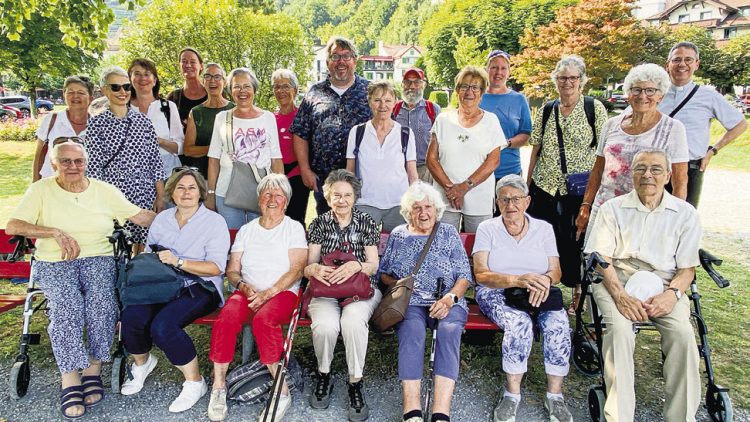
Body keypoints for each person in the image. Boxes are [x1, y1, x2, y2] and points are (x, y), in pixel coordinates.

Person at [6, 140, 155, 419]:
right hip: (54, 261)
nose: (73, 167)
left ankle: (93, 368)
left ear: (86, 163)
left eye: (78, 161)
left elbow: (139, 216)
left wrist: (185, 217)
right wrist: (53, 232)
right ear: (54, 165)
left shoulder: (104, 191)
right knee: (67, 307)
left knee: (102, 304)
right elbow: (15, 225)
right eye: (65, 161)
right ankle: (70, 377)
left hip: (98, 257)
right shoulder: (41, 190)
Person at [584, 148, 702, 422]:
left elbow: (687, 270)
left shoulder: (684, 214)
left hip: (665, 283)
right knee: (620, 332)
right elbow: (602, 260)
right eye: (640, 169)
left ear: (668, 175)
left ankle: (681, 417)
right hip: (617, 277)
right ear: (631, 173)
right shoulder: (612, 209)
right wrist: (620, 295)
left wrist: (672, 295)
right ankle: (619, 416)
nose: (647, 175)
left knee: (683, 335)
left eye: (656, 169)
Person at [119, 168, 230, 413]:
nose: (186, 192)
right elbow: (149, 255)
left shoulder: (214, 221)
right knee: (131, 318)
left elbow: (215, 268)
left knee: (163, 326)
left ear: (200, 192)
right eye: (180, 188)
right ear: (172, 192)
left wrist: (180, 262)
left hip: (200, 285)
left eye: (192, 188)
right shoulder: (163, 218)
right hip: (162, 282)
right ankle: (143, 363)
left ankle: (194, 382)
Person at [207, 174, 307, 422]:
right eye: (267, 194)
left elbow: (297, 269)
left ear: (286, 201)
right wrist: (243, 285)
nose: (272, 199)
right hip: (248, 292)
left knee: (265, 321)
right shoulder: (246, 230)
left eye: (278, 195)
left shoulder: (293, 227)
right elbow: (232, 270)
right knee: (226, 318)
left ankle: (281, 390)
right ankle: (219, 386)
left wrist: (268, 293)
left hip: (282, 293)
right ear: (259, 199)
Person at [473, 175, 572, 422]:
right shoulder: (488, 229)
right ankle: (512, 394)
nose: (510, 205)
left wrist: (544, 281)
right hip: (495, 291)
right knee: (519, 324)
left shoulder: (544, 229)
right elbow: (481, 274)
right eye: (504, 200)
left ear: (527, 201)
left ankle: (555, 395)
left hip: (538, 290)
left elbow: (556, 272)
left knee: (558, 324)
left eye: (516, 199)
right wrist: (517, 280)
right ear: (497, 202)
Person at [379, 182, 472, 422]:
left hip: (447, 300)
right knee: (411, 331)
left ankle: (441, 412)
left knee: (449, 332)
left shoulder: (448, 233)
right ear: (408, 211)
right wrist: (402, 283)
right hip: (410, 302)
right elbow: (383, 274)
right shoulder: (399, 235)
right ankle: (412, 411)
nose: (423, 213)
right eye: (417, 207)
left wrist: (450, 298)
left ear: (436, 209)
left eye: (428, 206)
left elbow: (464, 275)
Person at [526, 55, 607, 312]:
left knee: (575, 242)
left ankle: (577, 295)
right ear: (556, 81)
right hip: (545, 187)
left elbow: (603, 154)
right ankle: (540, 290)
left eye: (573, 78)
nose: (568, 83)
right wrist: (527, 185)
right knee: (542, 241)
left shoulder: (594, 109)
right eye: (563, 78)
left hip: (578, 190)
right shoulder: (547, 110)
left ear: (582, 81)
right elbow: (536, 148)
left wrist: (592, 197)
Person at [577, 63, 689, 246]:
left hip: (646, 213)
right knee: (596, 263)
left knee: (633, 267)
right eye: (636, 90)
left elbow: (680, 180)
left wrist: (673, 218)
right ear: (628, 94)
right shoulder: (611, 125)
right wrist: (586, 205)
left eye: (650, 90)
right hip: (604, 208)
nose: (643, 96)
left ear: (661, 95)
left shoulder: (673, 129)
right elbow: (597, 170)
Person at [304, 169, 380, 422]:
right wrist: (314, 268)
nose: (342, 200)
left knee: (352, 323)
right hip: (326, 287)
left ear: (355, 197)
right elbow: (308, 267)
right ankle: (323, 374)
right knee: (325, 326)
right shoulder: (318, 223)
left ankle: (355, 381)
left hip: (360, 288)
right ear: (327, 197)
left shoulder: (366, 221)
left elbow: (373, 264)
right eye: (336, 195)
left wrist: (357, 265)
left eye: (347, 195)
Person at [659, 41, 747, 207]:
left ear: (696, 64)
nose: (682, 64)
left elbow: (740, 124)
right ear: (668, 64)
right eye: (677, 59)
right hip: (655, 167)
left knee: (683, 222)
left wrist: (713, 150)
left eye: (688, 60)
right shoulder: (655, 94)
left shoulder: (708, 96)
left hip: (690, 168)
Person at [85, 66, 164, 250]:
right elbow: (94, 169)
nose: (122, 92)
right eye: (115, 87)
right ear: (104, 90)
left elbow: (155, 162)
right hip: (114, 197)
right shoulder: (97, 124)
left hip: (144, 194)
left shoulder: (143, 121)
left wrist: (160, 196)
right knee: (118, 247)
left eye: (126, 87)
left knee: (142, 248)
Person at [291, 36, 371, 216]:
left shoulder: (370, 91)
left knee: (361, 233)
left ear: (355, 61)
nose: (341, 61)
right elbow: (300, 133)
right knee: (327, 234)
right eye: (335, 56)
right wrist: (305, 169)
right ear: (327, 62)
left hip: (364, 179)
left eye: (346, 56)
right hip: (325, 181)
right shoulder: (315, 93)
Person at [426, 65, 504, 233]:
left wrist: (464, 187)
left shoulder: (491, 121)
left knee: (478, 249)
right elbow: (431, 159)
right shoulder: (443, 120)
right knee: (444, 247)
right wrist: (451, 189)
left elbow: (494, 160)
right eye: (464, 86)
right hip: (445, 197)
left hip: (479, 199)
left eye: (475, 87)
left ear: (482, 93)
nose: (469, 92)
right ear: (457, 91)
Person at [206, 67, 283, 229]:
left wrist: (281, 193)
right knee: (232, 242)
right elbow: (213, 159)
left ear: (254, 89)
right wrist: (211, 194)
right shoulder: (221, 118)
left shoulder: (268, 118)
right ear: (230, 90)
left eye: (247, 86)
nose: (242, 91)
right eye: (237, 87)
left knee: (260, 240)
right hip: (226, 193)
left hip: (263, 193)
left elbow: (276, 159)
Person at [346, 80, 418, 231]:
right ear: (370, 102)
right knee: (363, 251)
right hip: (365, 203)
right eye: (377, 100)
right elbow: (350, 172)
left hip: (399, 204)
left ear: (395, 103)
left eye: (387, 100)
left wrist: (415, 200)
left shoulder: (405, 133)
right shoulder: (357, 132)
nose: (382, 105)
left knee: (398, 250)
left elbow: (412, 173)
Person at [128, 58, 184, 180]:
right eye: (137, 74)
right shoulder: (123, 108)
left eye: (147, 74)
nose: (142, 78)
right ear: (130, 78)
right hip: (133, 177)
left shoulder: (168, 107)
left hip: (168, 176)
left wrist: (159, 141)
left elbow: (180, 147)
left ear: (154, 80)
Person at [480, 51, 532, 184]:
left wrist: (506, 143)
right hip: (478, 172)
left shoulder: (519, 99)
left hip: (509, 172)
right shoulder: (476, 96)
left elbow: (526, 135)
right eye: (494, 67)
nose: (499, 72)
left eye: (503, 68)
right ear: (487, 69)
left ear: (509, 72)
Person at [32, 75, 94, 182]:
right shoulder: (51, 120)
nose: (75, 96)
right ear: (64, 95)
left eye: (81, 93)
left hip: (84, 187)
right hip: (51, 184)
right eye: (70, 92)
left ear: (91, 98)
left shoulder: (97, 125)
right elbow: (38, 155)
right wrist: (35, 182)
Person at [182, 63, 234, 179]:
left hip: (231, 175)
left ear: (224, 82)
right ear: (203, 81)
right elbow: (187, 150)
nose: (212, 80)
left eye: (217, 77)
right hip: (203, 177)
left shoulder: (234, 110)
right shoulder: (196, 112)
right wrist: (215, 148)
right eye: (208, 76)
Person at [272, 68, 309, 226]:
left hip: (297, 177)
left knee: (295, 222)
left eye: (286, 86)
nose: (281, 91)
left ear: (295, 89)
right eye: (277, 87)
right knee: (275, 220)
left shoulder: (303, 116)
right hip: (274, 177)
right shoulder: (269, 118)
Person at [393, 67, 441, 183]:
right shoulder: (394, 109)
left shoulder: (433, 109)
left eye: (417, 82)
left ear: (423, 85)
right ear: (402, 85)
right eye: (408, 82)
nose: (412, 86)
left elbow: (442, 141)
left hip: (425, 170)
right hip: (399, 170)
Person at [167, 47, 208, 132]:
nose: (188, 65)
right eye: (184, 61)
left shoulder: (213, 94)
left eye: (192, 62)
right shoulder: (173, 98)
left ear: (201, 66)